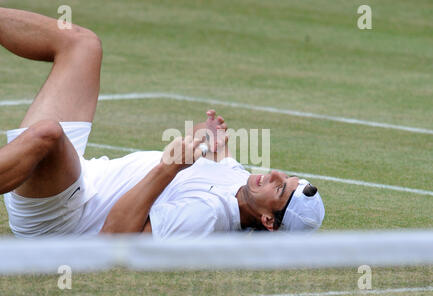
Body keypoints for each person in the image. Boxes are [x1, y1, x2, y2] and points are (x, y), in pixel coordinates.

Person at [0, 8, 325, 239]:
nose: (274, 174)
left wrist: (168, 168)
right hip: (79, 175)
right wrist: (209, 135)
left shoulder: (206, 216)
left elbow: (113, 239)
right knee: (82, 44)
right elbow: (216, 154)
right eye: (286, 176)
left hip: (61, 216)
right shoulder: (240, 182)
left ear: (268, 220)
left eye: (279, 187)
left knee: (47, 135)